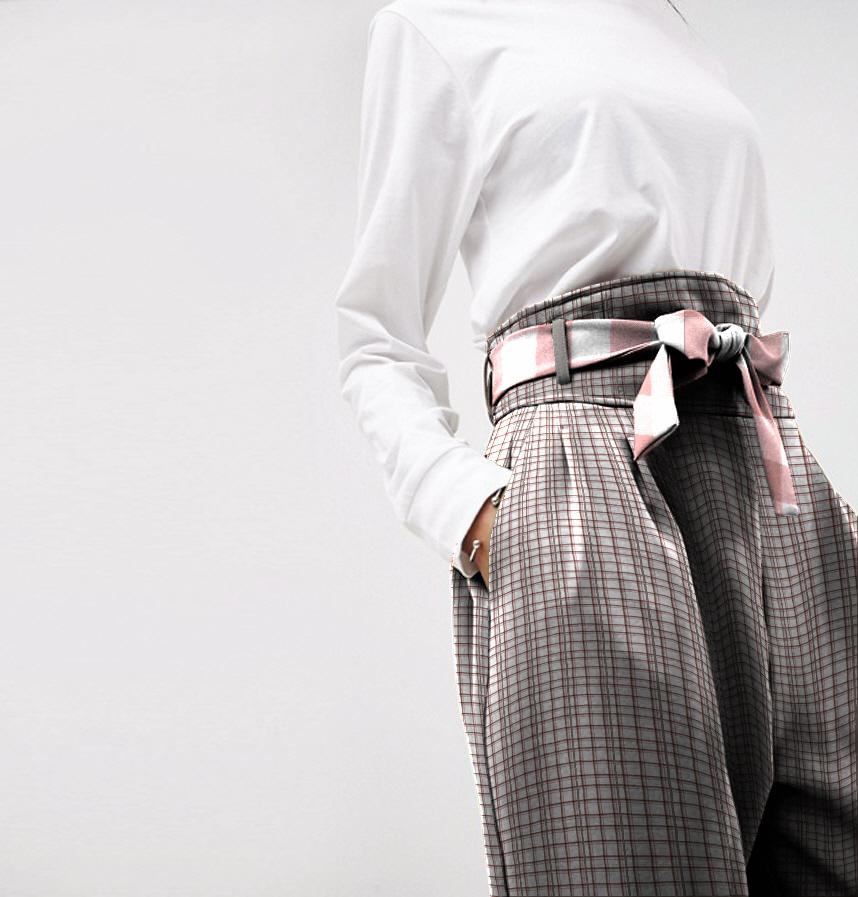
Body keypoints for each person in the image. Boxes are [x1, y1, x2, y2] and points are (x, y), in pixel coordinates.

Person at [333, 2, 858, 895]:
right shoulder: (437, 24)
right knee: (636, 864)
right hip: (586, 467)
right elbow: (374, 337)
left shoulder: (667, 22)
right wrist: (475, 515)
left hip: (765, 459)